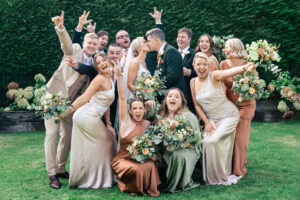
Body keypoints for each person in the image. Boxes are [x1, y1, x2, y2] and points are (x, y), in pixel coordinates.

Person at [44, 11, 98, 189]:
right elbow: (66, 44)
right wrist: (61, 27)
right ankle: (52, 174)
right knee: (52, 134)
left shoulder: (95, 65)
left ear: (98, 47)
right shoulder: (74, 50)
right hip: (54, 98)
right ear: (84, 43)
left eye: (94, 44)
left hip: (71, 104)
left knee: (67, 136)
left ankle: (60, 168)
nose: (91, 45)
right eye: (89, 42)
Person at [190, 52, 254, 185]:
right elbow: (197, 106)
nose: (201, 67)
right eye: (198, 64)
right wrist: (206, 122)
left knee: (213, 140)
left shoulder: (214, 76)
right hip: (212, 119)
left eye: (204, 64)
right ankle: (210, 177)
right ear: (193, 66)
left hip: (228, 116)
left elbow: (229, 72)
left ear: (208, 66)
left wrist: (244, 68)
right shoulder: (192, 82)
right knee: (206, 141)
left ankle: (221, 175)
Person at [61, 53, 116, 188]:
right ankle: (97, 179)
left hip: (93, 115)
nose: (102, 63)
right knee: (109, 142)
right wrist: (65, 112)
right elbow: (84, 98)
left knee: (106, 143)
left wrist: (108, 124)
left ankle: (97, 176)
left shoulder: (112, 77)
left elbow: (107, 103)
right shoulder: (99, 79)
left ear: (108, 61)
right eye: (98, 62)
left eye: (104, 60)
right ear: (96, 67)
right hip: (87, 116)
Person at [111, 61, 161, 196]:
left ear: (144, 110)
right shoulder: (126, 122)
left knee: (150, 165)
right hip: (123, 160)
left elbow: (160, 122)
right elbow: (122, 98)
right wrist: (120, 77)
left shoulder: (147, 124)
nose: (138, 111)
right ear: (131, 111)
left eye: (141, 108)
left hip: (141, 158)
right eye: (135, 109)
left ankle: (147, 188)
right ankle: (132, 187)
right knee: (136, 169)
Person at [220, 38, 257, 178]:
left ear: (235, 48)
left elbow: (255, 86)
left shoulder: (249, 65)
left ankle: (238, 169)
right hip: (229, 106)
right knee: (229, 137)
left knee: (240, 139)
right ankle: (228, 166)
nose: (224, 50)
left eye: (227, 47)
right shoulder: (223, 64)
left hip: (246, 105)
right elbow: (222, 85)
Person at [150, 7, 196, 112]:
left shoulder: (194, 54)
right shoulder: (171, 51)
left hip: (186, 91)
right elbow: (160, 39)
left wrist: (189, 72)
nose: (179, 39)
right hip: (171, 93)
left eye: (183, 37)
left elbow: (200, 73)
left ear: (189, 39)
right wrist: (158, 21)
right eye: (178, 37)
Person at [157, 88, 201, 193]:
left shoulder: (187, 116)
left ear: (181, 101)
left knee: (177, 154)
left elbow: (196, 138)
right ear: (166, 100)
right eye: (170, 96)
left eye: (177, 97)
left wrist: (177, 146)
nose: (173, 98)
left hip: (188, 147)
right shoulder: (161, 115)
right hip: (167, 148)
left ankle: (177, 184)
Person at [146, 28, 188, 101]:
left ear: (156, 40)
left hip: (176, 98)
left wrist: (154, 87)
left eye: (149, 41)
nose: (148, 43)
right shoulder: (162, 52)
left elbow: (172, 77)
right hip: (167, 97)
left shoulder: (170, 52)